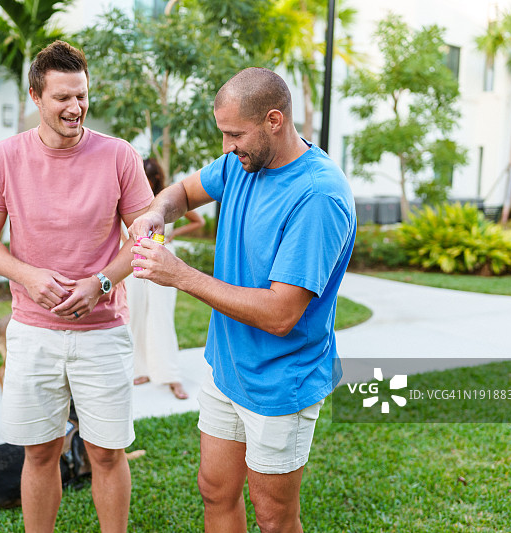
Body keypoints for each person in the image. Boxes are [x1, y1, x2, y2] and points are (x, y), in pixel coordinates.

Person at [129, 67, 356, 533]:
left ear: (275, 119)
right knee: (215, 490)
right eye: (224, 134)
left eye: (235, 134)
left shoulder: (318, 196)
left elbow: (280, 315)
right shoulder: (242, 162)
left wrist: (183, 276)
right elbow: (186, 191)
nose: (227, 146)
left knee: (273, 517)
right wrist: (157, 210)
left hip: (280, 382)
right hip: (227, 368)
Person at [0, 40, 153, 533]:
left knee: (107, 454)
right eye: (62, 98)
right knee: (39, 452)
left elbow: (147, 235)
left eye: (82, 96)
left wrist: (102, 282)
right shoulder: (3, 158)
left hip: (103, 332)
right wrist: (28, 276)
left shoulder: (119, 156)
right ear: (35, 96)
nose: (75, 107)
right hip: (32, 332)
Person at [128, 157, 204, 400]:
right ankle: (139, 368)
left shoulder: (167, 199)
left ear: (155, 179)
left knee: (161, 315)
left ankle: (170, 374)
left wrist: (173, 234)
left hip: (162, 258)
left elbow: (198, 221)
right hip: (134, 260)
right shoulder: (130, 196)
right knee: (135, 314)